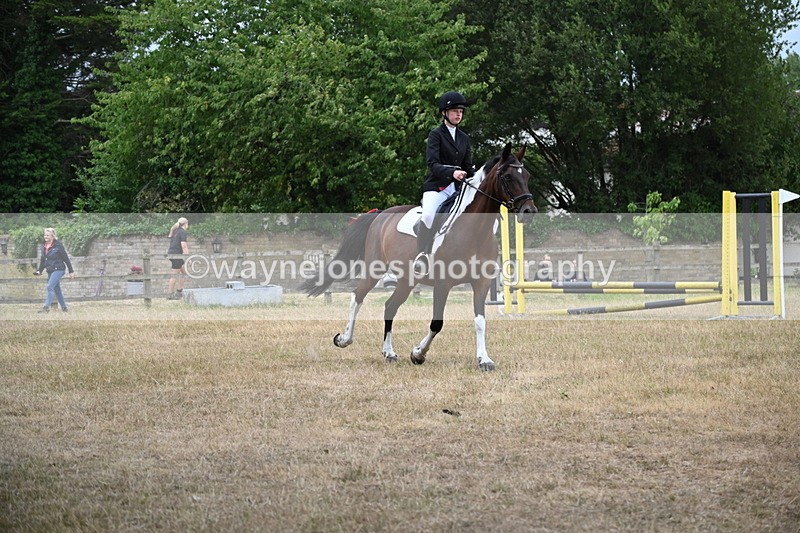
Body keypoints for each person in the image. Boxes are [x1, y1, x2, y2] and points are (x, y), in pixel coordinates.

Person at [413, 90, 475, 275]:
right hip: (437, 186)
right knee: (429, 216)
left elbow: (468, 166)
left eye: (461, 111)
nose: (459, 114)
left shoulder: (464, 138)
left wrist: (476, 177)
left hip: (458, 189)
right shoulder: (435, 135)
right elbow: (432, 164)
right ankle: (422, 255)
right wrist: (452, 172)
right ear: (444, 113)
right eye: (455, 111)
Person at [33, 228, 75, 313]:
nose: (46, 236)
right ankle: (64, 308)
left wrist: (71, 271)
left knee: (50, 287)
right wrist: (39, 271)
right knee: (57, 289)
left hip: (59, 269)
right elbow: (43, 260)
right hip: (50, 270)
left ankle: (46, 308)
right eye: (45, 235)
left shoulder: (58, 245)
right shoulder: (44, 246)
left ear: (53, 236)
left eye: (48, 235)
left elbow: (66, 258)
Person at [167, 217, 190, 300]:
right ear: (185, 224)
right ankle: (170, 294)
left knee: (183, 272)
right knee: (175, 274)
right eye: (187, 223)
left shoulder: (176, 231)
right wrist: (188, 258)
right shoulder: (182, 232)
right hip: (176, 255)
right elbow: (184, 246)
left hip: (173, 254)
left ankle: (179, 291)